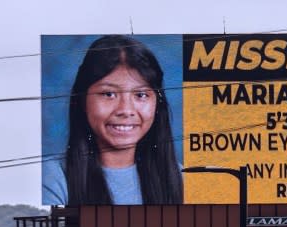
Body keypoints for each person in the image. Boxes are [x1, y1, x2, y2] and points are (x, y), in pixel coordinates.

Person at [44, 35, 183, 205]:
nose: (125, 110)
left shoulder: (181, 178)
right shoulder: (52, 178)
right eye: (109, 94)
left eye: (141, 95)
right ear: (82, 100)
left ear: (157, 104)